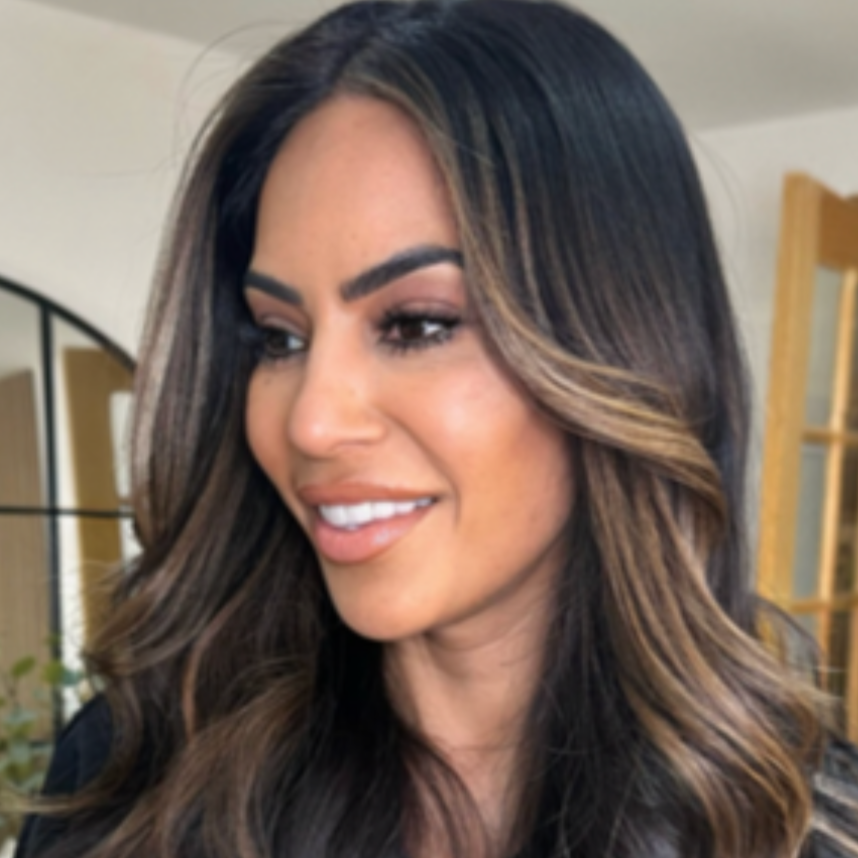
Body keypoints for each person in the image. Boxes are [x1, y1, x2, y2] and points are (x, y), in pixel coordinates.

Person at [13, 1, 858, 856]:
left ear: (625, 349)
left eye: (417, 324)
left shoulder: (791, 825)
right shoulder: (138, 777)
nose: (311, 420)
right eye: (280, 338)